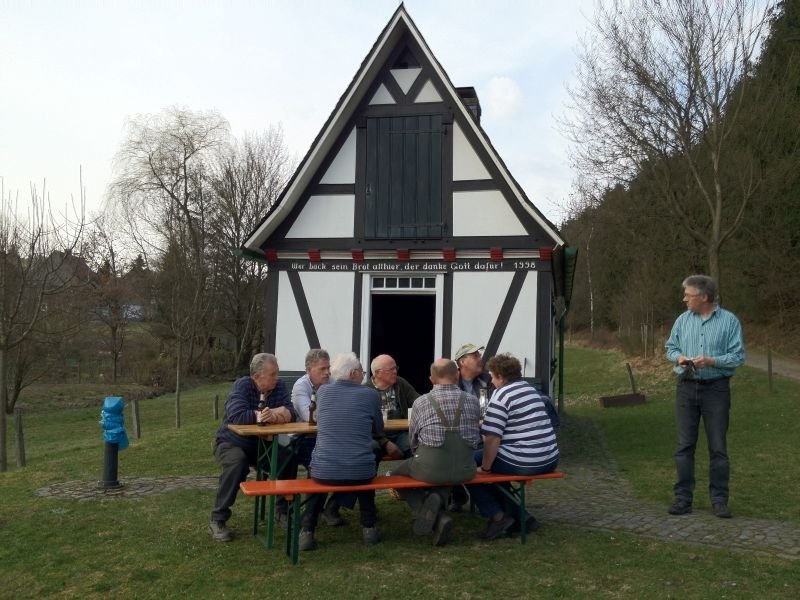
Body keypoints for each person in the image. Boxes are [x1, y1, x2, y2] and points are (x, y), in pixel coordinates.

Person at [665, 274, 745, 519]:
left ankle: (719, 501)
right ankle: (683, 499)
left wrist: (711, 361)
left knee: (718, 447)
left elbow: (738, 356)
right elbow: (670, 348)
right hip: (686, 388)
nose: (684, 299)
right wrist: (679, 357)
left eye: (688, 295)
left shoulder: (729, 321)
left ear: (704, 297)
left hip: (716, 390)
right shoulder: (682, 320)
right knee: (684, 446)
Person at [467, 353, 559, 541]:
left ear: (501, 376)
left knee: (465, 467)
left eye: (492, 376)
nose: (491, 381)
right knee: (494, 470)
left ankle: (497, 517)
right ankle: (521, 517)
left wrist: (485, 468)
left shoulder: (502, 395)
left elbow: (491, 438)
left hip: (525, 460)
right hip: (549, 458)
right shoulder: (530, 390)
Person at [390, 358, 481, 546]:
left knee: (393, 477)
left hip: (430, 469)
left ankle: (429, 513)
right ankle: (439, 498)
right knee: (446, 470)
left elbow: (413, 442)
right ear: (457, 376)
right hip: (466, 469)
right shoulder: (473, 402)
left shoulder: (421, 403)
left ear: (431, 379)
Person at [298, 352, 384, 551]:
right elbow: (378, 429)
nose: (363, 374)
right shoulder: (371, 395)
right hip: (360, 471)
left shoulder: (322, 392)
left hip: (324, 470)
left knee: (317, 473)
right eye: (361, 371)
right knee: (365, 464)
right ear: (353, 373)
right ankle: (369, 528)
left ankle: (307, 531)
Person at [209, 353, 296, 542]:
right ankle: (218, 519)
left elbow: (291, 413)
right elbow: (237, 416)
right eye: (272, 374)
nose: (277, 378)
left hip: (263, 444)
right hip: (231, 442)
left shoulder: (279, 387)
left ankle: (282, 511)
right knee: (237, 461)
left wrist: (277, 415)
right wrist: (267, 414)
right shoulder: (242, 386)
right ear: (257, 376)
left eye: (276, 373)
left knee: (288, 457)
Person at [288, 348, 343, 527]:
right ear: (308, 370)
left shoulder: (333, 382)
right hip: (304, 439)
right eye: (322, 369)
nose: (327, 372)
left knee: (356, 461)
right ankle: (311, 515)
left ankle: (331, 507)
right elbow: (309, 416)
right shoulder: (301, 386)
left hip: (330, 437)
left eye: (328, 368)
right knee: (321, 466)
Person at [450, 342, 494, 511]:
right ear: (462, 362)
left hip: (484, 435)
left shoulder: (488, 380)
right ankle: (458, 494)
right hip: (459, 435)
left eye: (479, 355)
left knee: (461, 460)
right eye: (475, 356)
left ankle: (494, 503)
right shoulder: (451, 382)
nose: (480, 359)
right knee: (450, 453)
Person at [365, 354, 419, 459]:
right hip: (375, 436)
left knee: (415, 446)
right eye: (391, 369)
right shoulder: (365, 391)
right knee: (371, 448)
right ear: (377, 373)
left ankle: (411, 469)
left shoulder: (400, 383)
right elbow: (365, 424)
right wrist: (385, 442)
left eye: (395, 368)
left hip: (399, 433)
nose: (395, 372)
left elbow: (417, 401)